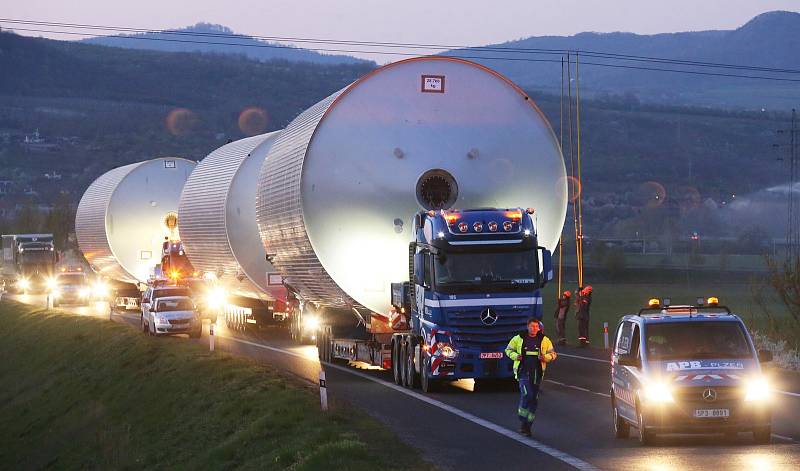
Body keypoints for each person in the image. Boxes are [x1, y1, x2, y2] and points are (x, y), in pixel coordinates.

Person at [505, 318, 557, 436]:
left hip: (537, 374)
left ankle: (528, 425)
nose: (534, 328)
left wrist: (545, 358)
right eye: (532, 326)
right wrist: (516, 356)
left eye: (536, 326)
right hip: (523, 372)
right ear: (527, 327)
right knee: (527, 394)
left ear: (539, 328)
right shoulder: (519, 338)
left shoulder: (544, 340)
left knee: (534, 399)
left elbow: (553, 354)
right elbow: (508, 350)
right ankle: (522, 420)